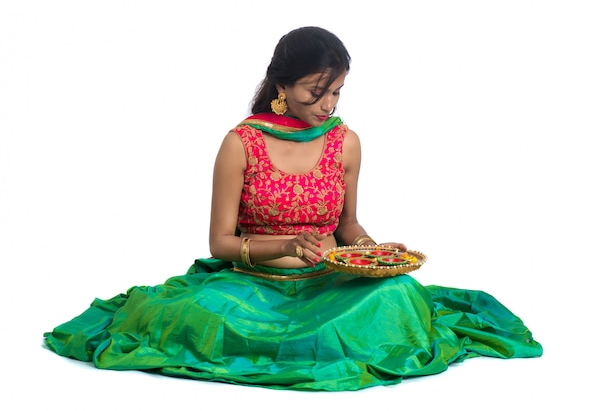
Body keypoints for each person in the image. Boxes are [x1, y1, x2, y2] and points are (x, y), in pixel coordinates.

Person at [44, 26, 542, 391]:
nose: (328, 104)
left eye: (337, 91)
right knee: (203, 316)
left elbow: (347, 227)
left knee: (397, 294)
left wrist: (374, 253)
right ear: (282, 86)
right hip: (250, 284)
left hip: (329, 282)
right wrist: (285, 245)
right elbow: (218, 242)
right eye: (316, 91)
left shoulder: (346, 142)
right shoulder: (241, 143)